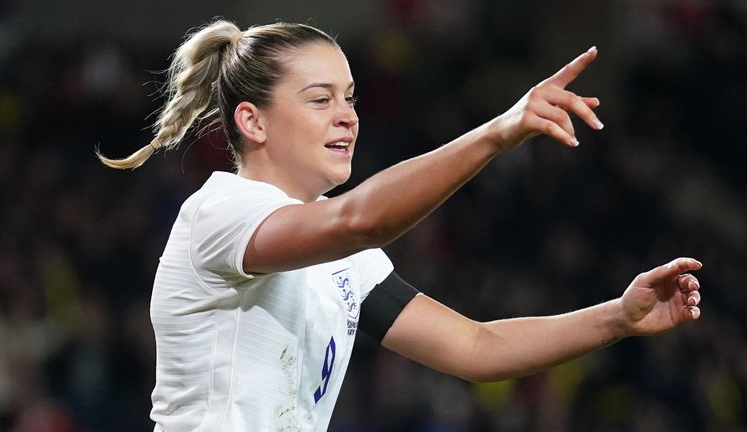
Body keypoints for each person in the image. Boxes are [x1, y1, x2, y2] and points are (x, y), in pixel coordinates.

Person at [97, 19, 703, 432]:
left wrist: (617, 318)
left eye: (351, 98)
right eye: (320, 99)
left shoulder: (342, 260)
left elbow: (476, 348)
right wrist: (499, 131)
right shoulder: (219, 211)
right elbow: (361, 219)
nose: (347, 116)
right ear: (252, 122)